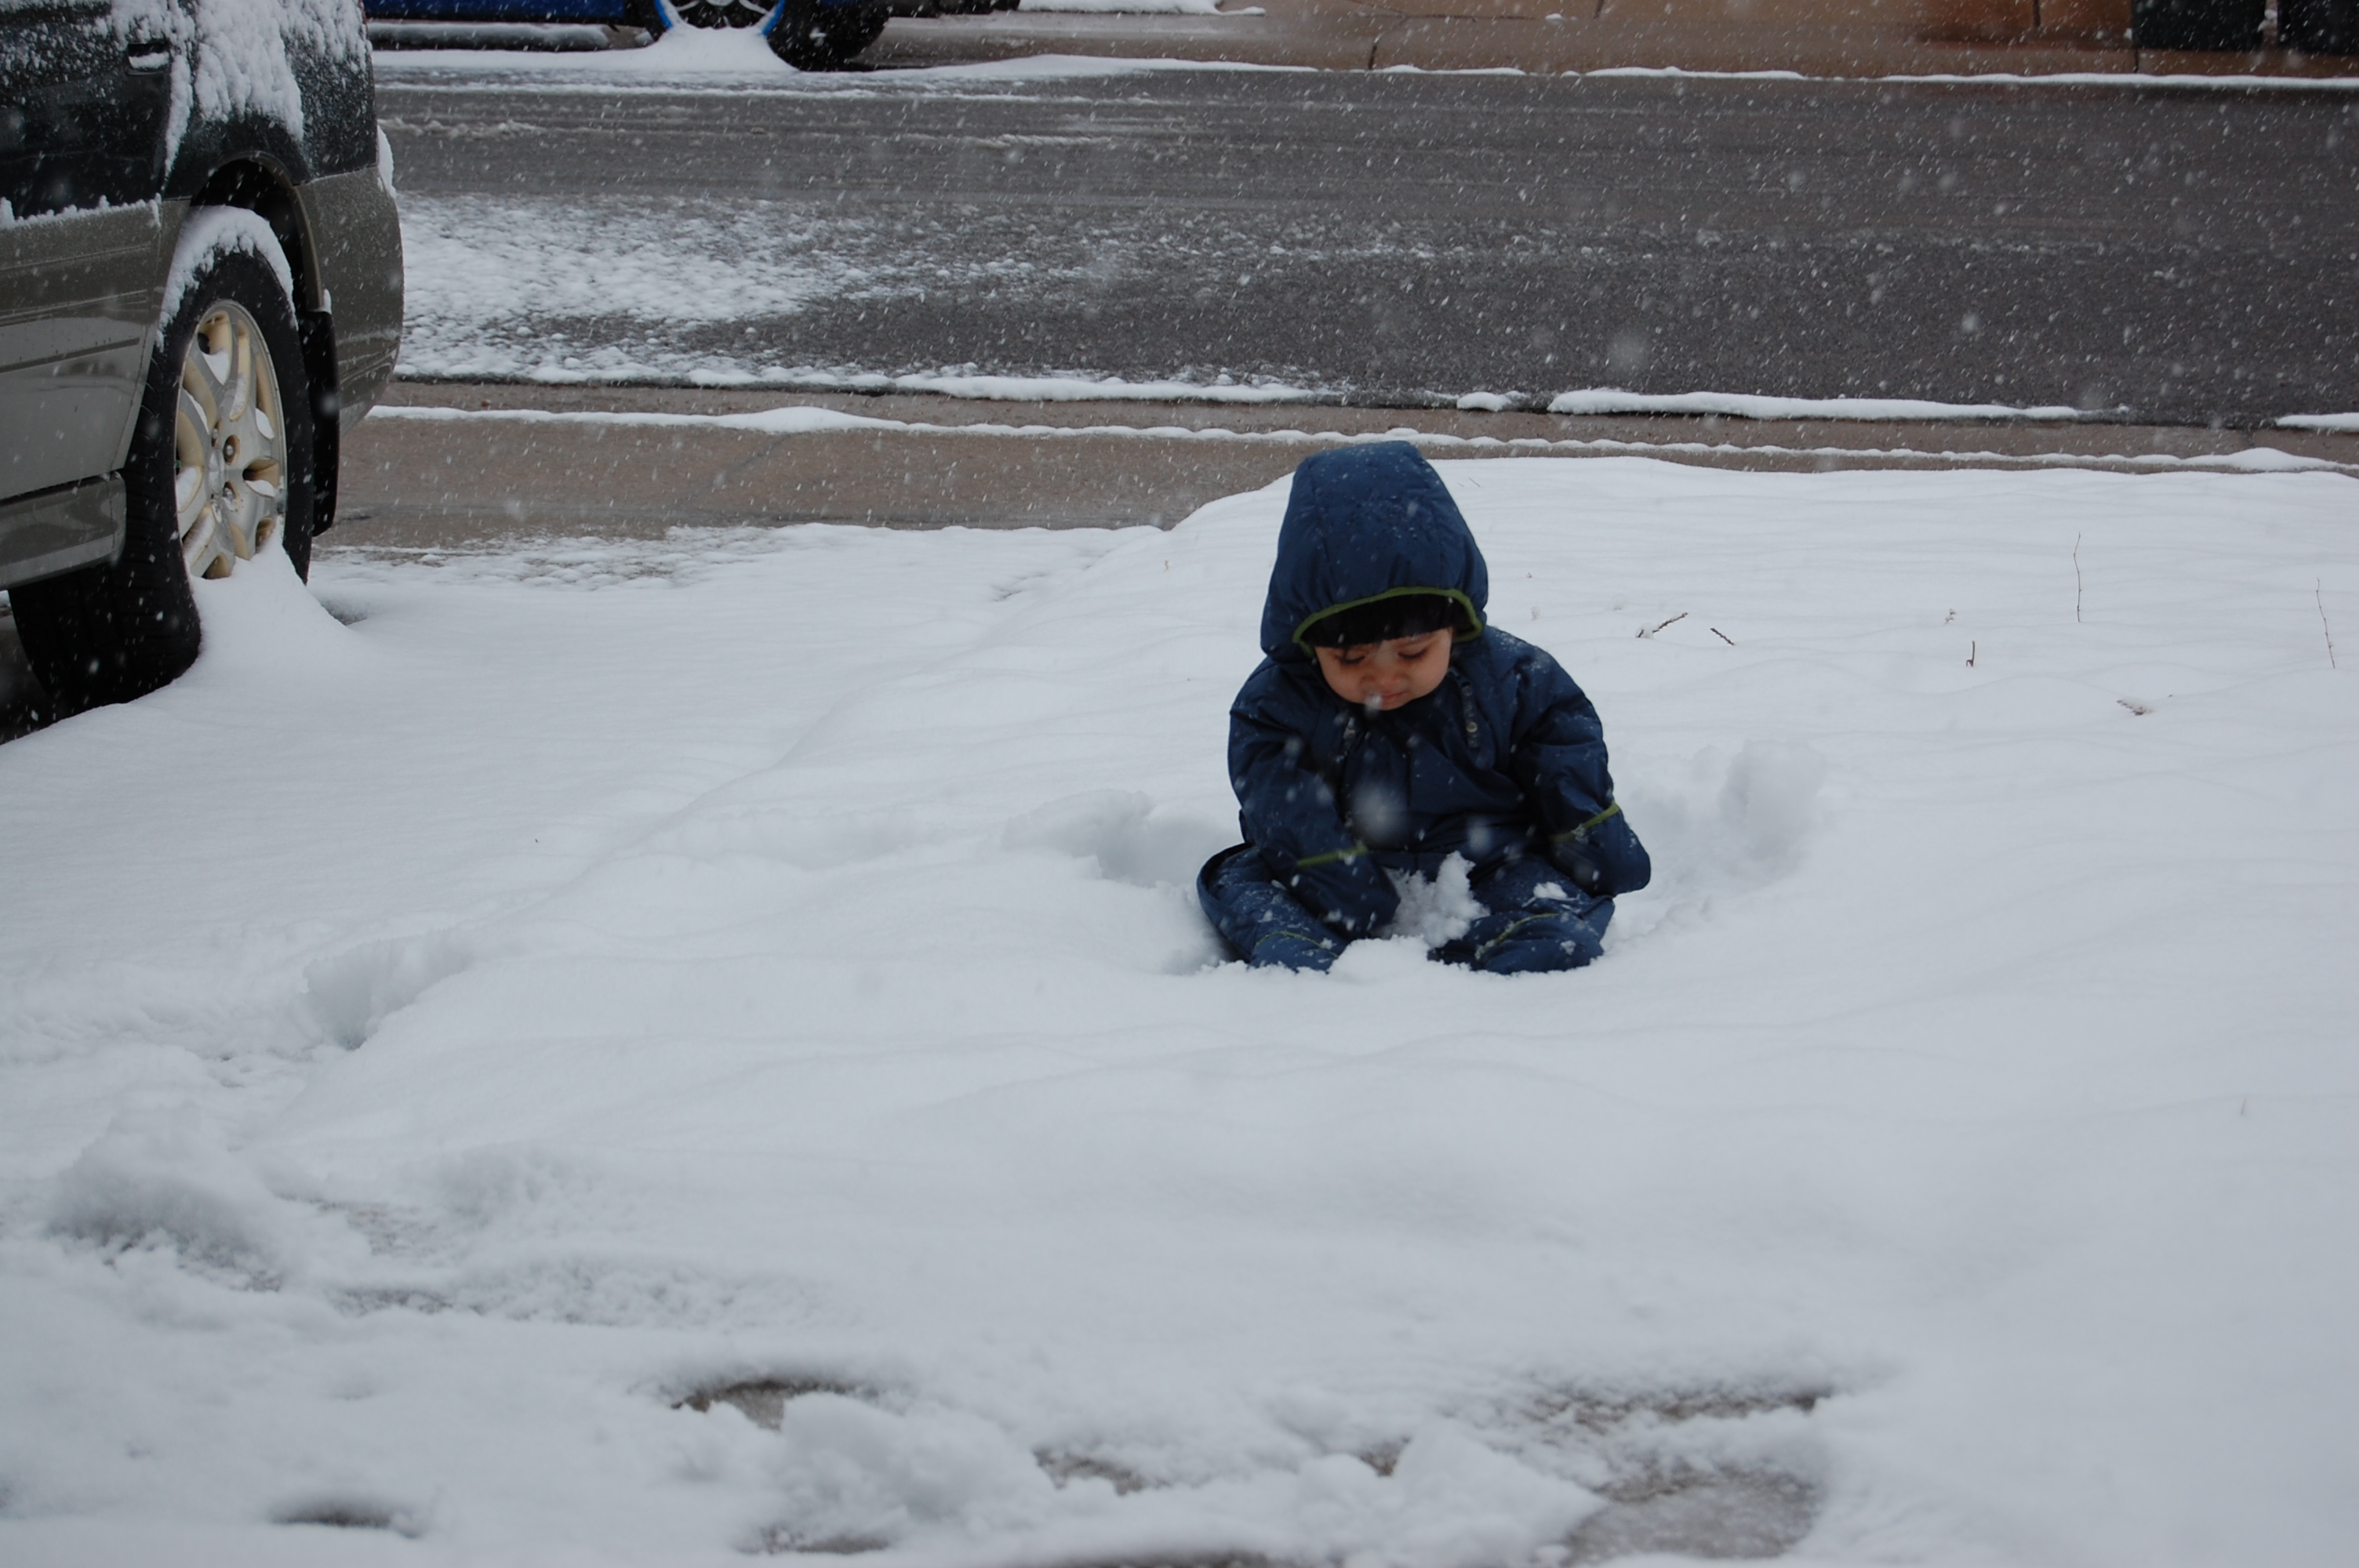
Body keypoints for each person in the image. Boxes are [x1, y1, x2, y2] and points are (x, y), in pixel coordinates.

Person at [1198, 442, 1650, 975]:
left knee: (1550, 926)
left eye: (1413, 653)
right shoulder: (1278, 704)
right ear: (1309, 644)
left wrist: (1592, 841)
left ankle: (1503, 956)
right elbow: (1284, 809)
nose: (1385, 678)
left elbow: (1564, 754)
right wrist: (1341, 884)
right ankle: (1317, 966)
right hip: (1335, 875)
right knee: (1258, 899)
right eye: (1351, 658)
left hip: (1488, 864)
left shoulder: (1513, 680)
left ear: (1454, 628)